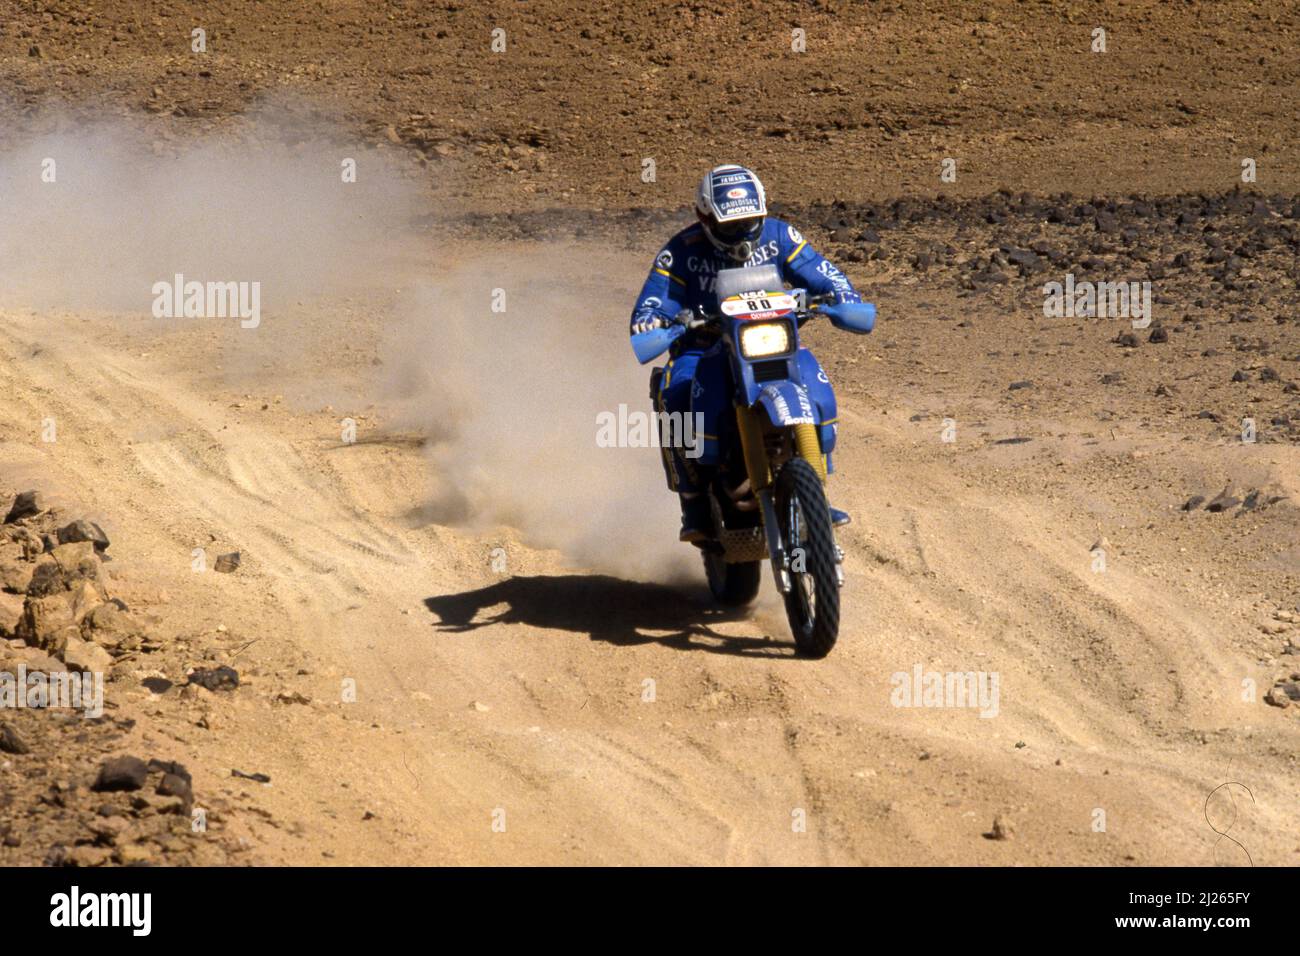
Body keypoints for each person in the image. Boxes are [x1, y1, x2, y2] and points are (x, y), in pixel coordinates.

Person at [629, 164, 864, 542]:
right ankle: (694, 504)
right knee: (673, 393)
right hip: (704, 349)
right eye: (730, 226)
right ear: (704, 217)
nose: (741, 233)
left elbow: (823, 273)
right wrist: (651, 321)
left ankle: (817, 495)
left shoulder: (779, 235)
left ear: (762, 211)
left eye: (750, 222)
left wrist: (841, 296)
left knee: (813, 378)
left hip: (770, 341)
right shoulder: (681, 252)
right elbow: (653, 303)